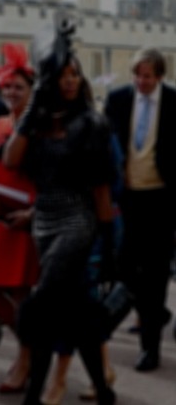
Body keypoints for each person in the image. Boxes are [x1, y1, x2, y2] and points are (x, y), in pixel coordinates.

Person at [3, 21, 117, 405]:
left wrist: (110, 250)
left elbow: (101, 189)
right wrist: (34, 107)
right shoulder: (39, 124)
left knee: (42, 307)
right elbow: (11, 158)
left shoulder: (92, 124)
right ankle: (102, 391)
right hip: (45, 223)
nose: (70, 82)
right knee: (75, 314)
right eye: (62, 75)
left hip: (79, 224)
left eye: (75, 75)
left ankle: (34, 394)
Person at [104, 47, 175, 372]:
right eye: (137, 75)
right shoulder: (118, 99)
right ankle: (154, 312)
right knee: (125, 271)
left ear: (159, 76)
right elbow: (105, 147)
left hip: (161, 201)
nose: (141, 82)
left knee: (156, 276)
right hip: (126, 200)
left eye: (147, 77)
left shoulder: (173, 102)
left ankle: (150, 348)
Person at [0, 43, 38, 395]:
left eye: (19, 87)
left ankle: (26, 357)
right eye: (8, 86)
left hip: (25, 218)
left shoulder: (40, 126)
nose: (12, 91)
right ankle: (29, 343)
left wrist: (34, 212)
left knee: (22, 292)